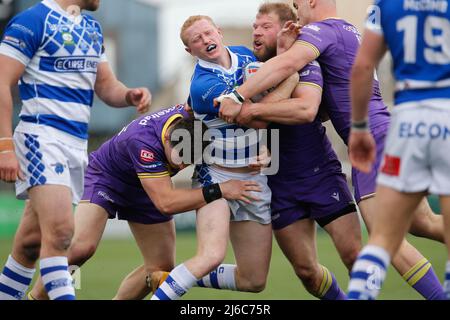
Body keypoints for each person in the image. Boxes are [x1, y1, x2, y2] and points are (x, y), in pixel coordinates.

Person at [217, 0, 445, 300]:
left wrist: (237, 94)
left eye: (298, 5)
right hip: (390, 132)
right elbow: (326, 107)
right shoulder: (349, 32)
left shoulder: (322, 30)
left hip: (372, 141)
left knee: (385, 238)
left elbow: (288, 69)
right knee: (423, 223)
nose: (297, 15)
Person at [26, 104, 261, 300]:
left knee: (159, 270)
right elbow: (166, 203)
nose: (181, 167)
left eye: (190, 161)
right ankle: (35, 299)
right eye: (180, 158)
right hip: (109, 179)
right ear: (169, 137)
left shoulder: (193, 123)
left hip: (149, 186)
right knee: (81, 248)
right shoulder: (144, 143)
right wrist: (220, 190)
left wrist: (258, 152)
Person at [0, 0, 152, 300]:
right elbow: (2, 80)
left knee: (31, 243)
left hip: (75, 147)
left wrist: (128, 95)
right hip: (42, 137)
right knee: (61, 233)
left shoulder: (91, 28)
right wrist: (5, 146)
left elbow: (106, 86)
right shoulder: (32, 20)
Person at [216, 2, 362, 300]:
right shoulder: (248, 72)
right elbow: (241, 117)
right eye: (254, 26)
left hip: (319, 173)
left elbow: (304, 110)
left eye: (265, 27)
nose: (256, 32)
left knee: (355, 257)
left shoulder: (305, 63)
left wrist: (253, 110)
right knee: (306, 272)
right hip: (279, 184)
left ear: (286, 29)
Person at [150, 15, 299, 300]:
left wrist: (270, 148)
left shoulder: (245, 56)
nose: (205, 40)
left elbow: (268, 116)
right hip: (216, 175)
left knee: (253, 280)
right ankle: (169, 290)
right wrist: (290, 78)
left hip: (254, 180)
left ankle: (173, 278)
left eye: (208, 33)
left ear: (218, 32)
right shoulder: (202, 85)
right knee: (211, 256)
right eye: (196, 39)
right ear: (189, 51)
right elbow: (257, 118)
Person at [347, 0, 450, 300]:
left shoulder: (385, 6)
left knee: (381, 238)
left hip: (406, 124)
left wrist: (359, 128)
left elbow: (363, 67)